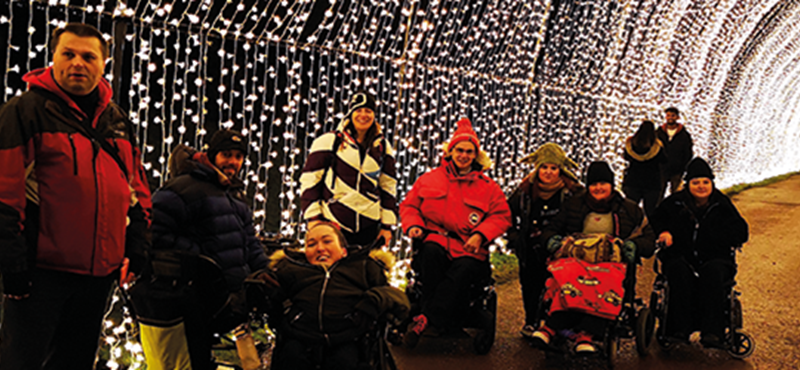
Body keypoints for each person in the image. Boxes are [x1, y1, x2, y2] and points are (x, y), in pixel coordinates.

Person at [0, 23, 152, 369]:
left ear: (103, 64)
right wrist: (12, 262)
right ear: (52, 58)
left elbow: (135, 189)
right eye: (68, 54)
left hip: (97, 277)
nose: (77, 63)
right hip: (41, 275)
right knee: (22, 361)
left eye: (88, 56)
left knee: (75, 361)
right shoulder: (25, 112)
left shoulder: (116, 121)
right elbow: (4, 193)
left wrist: (138, 245)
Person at [145, 129, 269, 369]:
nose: (233, 161)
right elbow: (155, 232)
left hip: (228, 299)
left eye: (238, 156)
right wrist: (201, 258)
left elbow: (248, 239)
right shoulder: (184, 188)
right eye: (226, 154)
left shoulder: (234, 193)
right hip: (194, 297)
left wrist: (264, 269)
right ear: (211, 155)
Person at [399, 118, 512, 348]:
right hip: (436, 241)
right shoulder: (429, 179)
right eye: (459, 150)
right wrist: (413, 225)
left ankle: (427, 318)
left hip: (469, 248)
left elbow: (501, 216)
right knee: (430, 254)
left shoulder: (488, 187)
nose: (464, 155)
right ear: (450, 152)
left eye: (469, 152)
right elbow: (410, 206)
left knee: (466, 268)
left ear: (476, 155)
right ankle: (436, 317)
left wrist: (480, 234)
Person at [532, 161, 655, 354]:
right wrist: (551, 241)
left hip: (611, 262)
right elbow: (552, 229)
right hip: (576, 258)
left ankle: (587, 334)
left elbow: (648, 238)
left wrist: (635, 246)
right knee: (566, 279)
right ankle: (550, 327)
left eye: (603, 183)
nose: (598, 188)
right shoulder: (574, 204)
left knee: (605, 283)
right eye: (594, 184)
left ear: (612, 185)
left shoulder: (630, 209)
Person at [254, 221, 409, 370]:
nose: (320, 248)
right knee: (291, 357)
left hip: (348, 335)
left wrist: (374, 300)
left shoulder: (363, 266)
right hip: (301, 334)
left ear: (344, 251)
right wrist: (262, 287)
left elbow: (397, 298)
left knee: (346, 361)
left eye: (327, 241)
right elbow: (272, 295)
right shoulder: (292, 269)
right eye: (311, 244)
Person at [650, 157, 749, 349]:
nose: (701, 186)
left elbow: (741, 231)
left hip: (715, 257)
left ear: (712, 183)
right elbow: (657, 218)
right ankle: (678, 329)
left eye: (705, 182)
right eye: (696, 182)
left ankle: (713, 332)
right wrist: (664, 232)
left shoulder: (722, 204)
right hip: (681, 255)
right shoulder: (675, 202)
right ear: (688, 185)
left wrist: (723, 238)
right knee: (678, 273)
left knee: (713, 274)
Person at [300, 91, 397, 248]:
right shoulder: (329, 141)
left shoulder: (382, 147)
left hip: (370, 225)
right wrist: (313, 218)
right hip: (334, 222)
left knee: (365, 271)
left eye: (368, 111)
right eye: (358, 110)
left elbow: (388, 186)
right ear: (350, 114)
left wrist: (387, 226)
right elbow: (310, 180)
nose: (363, 115)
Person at [507, 143, 583, 338]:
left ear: (561, 170)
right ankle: (531, 320)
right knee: (531, 284)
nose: (548, 172)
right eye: (544, 167)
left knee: (560, 286)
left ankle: (555, 323)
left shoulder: (573, 192)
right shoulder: (525, 190)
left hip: (561, 248)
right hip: (530, 246)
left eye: (553, 168)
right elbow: (507, 213)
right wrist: (514, 236)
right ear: (537, 168)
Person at [622, 120, 667, 219]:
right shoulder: (657, 146)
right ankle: (649, 232)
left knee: (630, 211)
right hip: (652, 182)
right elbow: (664, 160)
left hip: (633, 181)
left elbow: (625, 157)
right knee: (650, 212)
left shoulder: (630, 144)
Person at [656, 107, 693, 199]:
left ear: (677, 117)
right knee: (659, 194)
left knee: (676, 195)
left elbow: (688, 152)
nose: (670, 118)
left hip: (677, 170)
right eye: (668, 115)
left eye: (673, 115)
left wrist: (683, 167)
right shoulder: (658, 133)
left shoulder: (684, 135)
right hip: (661, 169)